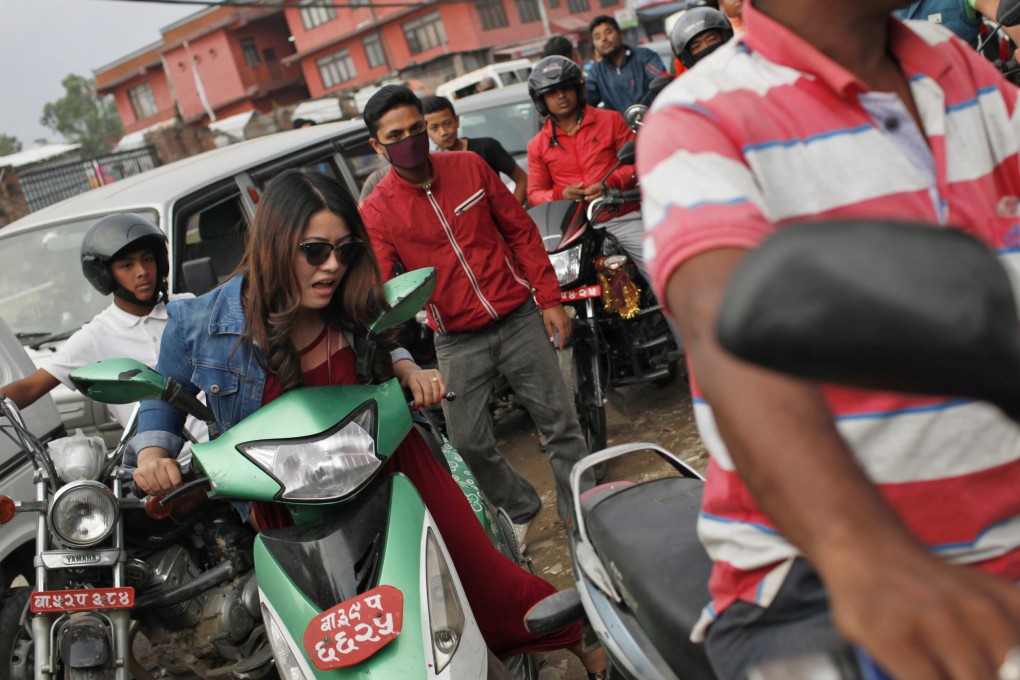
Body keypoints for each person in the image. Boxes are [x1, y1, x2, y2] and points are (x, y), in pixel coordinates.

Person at [638, 1, 1020, 679]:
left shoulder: (959, 67)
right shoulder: (698, 116)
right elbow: (721, 323)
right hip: (817, 579)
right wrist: (860, 552)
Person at [126, 167, 608, 677]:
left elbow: (384, 340)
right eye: (315, 251)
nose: (332, 266)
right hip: (287, 505)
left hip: (390, 469)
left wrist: (406, 367)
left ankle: (587, 640)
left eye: (345, 250)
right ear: (275, 243)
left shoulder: (350, 298)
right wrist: (153, 454)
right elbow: (163, 392)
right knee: (328, 638)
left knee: (474, 577)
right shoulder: (200, 321)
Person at [358, 85, 594, 547]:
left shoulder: (468, 166)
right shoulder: (378, 210)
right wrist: (389, 346)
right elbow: (386, 287)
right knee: (466, 442)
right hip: (457, 341)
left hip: (520, 318)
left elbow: (521, 232)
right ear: (377, 145)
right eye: (395, 135)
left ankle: (580, 521)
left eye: (415, 129)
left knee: (561, 426)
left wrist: (549, 300)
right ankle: (523, 505)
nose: (409, 140)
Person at [0, 213, 202, 438]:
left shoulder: (188, 307)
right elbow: (31, 387)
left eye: (147, 259)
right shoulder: (96, 336)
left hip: (226, 444)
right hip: (163, 462)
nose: (142, 271)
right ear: (104, 274)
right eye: (127, 265)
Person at [526, 56, 649, 285]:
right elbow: (534, 194)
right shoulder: (538, 145)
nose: (561, 96)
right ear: (541, 100)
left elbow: (641, 163)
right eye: (552, 92)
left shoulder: (611, 121)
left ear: (578, 89)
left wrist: (611, 183)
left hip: (619, 217)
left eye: (566, 88)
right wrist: (560, 195)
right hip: (571, 231)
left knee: (660, 270)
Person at [421, 95, 530, 205]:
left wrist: (511, 214)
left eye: (447, 123)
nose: (443, 132)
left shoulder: (486, 147)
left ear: (457, 121)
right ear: (425, 131)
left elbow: (523, 180)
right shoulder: (431, 165)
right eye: (434, 128)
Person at [585, 15, 667, 113]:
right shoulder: (597, 72)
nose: (603, 39)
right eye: (597, 37)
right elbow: (586, 101)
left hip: (652, 121)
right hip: (619, 127)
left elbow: (662, 82)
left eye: (608, 32)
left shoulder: (644, 57)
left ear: (620, 34)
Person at [670, 6, 735, 70]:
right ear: (688, 57)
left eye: (711, 39)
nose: (706, 46)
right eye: (696, 46)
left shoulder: (743, 66)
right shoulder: (688, 80)